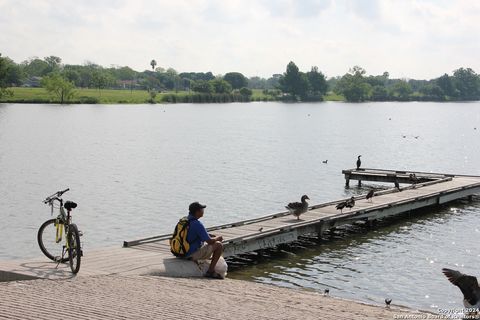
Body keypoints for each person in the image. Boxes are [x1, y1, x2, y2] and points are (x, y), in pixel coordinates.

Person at [186, 202, 224, 279]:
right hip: (190, 254)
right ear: (197, 212)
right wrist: (218, 238)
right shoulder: (197, 224)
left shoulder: (185, 220)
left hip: (181, 251)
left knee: (211, 243)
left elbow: (192, 233)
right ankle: (210, 271)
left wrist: (207, 234)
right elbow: (209, 241)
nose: (203, 211)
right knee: (219, 245)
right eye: (202, 209)